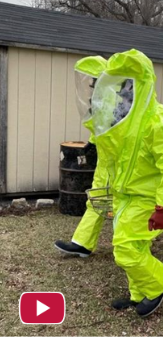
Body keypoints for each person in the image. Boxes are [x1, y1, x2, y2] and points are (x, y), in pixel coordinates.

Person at [89, 49, 163, 317]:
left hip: (147, 200)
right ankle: (138, 293)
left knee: (125, 250)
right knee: (136, 246)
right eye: (121, 88)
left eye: (128, 88)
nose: (123, 95)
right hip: (126, 196)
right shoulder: (126, 126)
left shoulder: (158, 125)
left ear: (141, 87)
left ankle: (160, 282)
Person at [53, 56, 109, 257]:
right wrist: (92, 142)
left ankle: (135, 248)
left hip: (123, 162)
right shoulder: (101, 98)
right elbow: (100, 126)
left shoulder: (115, 97)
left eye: (95, 80)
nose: (91, 85)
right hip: (107, 160)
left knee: (126, 204)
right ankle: (82, 244)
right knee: (96, 198)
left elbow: (117, 127)